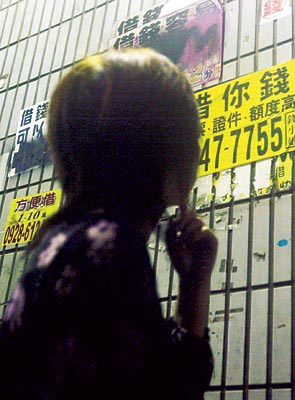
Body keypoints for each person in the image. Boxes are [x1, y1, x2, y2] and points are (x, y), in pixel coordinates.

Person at [0, 48, 218, 399]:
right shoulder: (110, 248)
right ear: (159, 150)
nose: (197, 151)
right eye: (192, 137)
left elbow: (160, 372)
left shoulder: (66, 238)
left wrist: (194, 281)